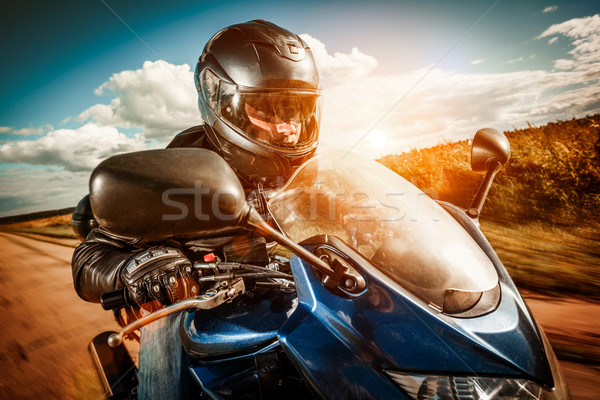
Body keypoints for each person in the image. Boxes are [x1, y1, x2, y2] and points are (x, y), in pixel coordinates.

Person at [71, 20, 321, 400]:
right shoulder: (175, 174)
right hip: (200, 317)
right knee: (166, 346)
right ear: (223, 102)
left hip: (296, 309)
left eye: (296, 107)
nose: (287, 128)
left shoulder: (311, 169)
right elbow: (90, 256)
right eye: (267, 108)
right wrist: (141, 267)